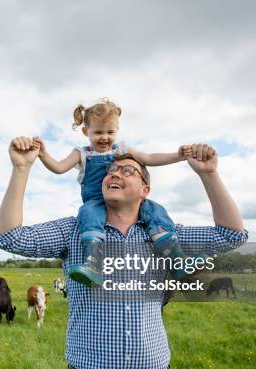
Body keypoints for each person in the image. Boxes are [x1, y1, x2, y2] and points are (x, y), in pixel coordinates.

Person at [0, 138, 247, 369]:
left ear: (144, 190)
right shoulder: (74, 231)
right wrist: (21, 169)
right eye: (110, 171)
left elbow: (231, 235)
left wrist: (209, 174)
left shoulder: (165, 236)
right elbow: (10, 238)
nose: (114, 173)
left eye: (127, 171)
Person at [33, 98, 203, 287]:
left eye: (110, 132)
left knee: (156, 210)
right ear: (85, 132)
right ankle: (93, 264)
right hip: (97, 202)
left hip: (126, 203)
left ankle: (177, 261)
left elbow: (148, 158)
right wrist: (43, 154)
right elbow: (58, 168)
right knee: (87, 213)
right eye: (98, 132)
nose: (105, 137)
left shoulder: (120, 150)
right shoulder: (82, 154)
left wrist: (178, 156)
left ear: (117, 131)